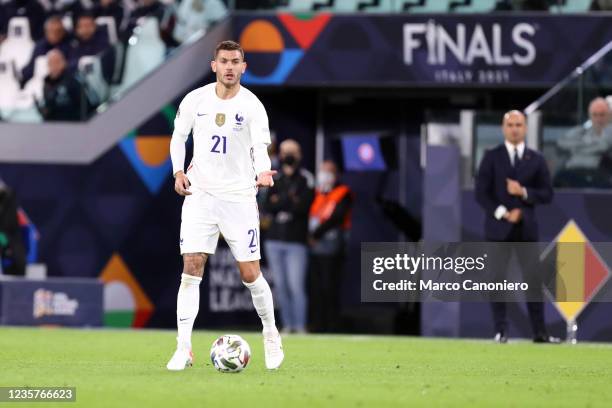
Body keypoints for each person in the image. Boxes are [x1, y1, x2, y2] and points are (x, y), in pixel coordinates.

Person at [166, 40, 283, 371]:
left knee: (250, 274)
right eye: (224, 61)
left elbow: (260, 147)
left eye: (236, 61)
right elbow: (179, 136)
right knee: (191, 267)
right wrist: (177, 171)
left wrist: (262, 171)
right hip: (200, 195)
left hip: (238, 197)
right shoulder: (195, 99)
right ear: (213, 65)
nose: (230, 66)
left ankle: (271, 334)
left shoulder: (252, 106)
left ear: (243, 67)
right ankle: (183, 348)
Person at [475, 110, 558, 344]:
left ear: (526, 128)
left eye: (519, 124)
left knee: (533, 281)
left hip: (526, 229)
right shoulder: (491, 157)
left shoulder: (536, 159)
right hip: (498, 230)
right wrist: (502, 213)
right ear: (503, 128)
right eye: (510, 124)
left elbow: (547, 194)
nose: (514, 129)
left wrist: (523, 193)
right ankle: (500, 331)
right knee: (497, 280)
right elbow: (481, 193)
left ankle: (539, 332)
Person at [263, 139, 314, 334]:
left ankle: (300, 326)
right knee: (281, 286)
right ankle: (287, 325)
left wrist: (281, 201)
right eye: (284, 152)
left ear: (299, 154)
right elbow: (268, 205)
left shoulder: (306, 178)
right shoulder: (274, 177)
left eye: (292, 152)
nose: (288, 156)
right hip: (274, 240)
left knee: (296, 285)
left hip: (296, 241)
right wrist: (289, 199)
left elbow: (303, 207)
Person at [308, 160, 352, 333]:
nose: (324, 174)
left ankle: (332, 326)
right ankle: (317, 325)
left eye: (329, 171)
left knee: (330, 287)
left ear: (336, 174)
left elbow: (337, 217)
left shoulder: (343, 193)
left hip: (332, 248)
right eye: (322, 171)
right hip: (314, 248)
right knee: (316, 288)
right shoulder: (317, 192)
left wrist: (315, 235)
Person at [555, 97, 612, 187]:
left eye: (602, 115)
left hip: (602, 175)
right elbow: (561, 142)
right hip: (575, 173)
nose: (598, 119)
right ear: (590, 116)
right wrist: (589, 146)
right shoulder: (583, 130)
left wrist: (577, 147)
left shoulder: (610, 131)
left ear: (609, 116)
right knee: (559, 178)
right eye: (595, 115)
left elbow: (604, 146)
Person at [37, 49, 93, 121]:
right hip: (53, 126)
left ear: (64, 63)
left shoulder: (73, 82)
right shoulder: (46, 84)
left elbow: (85, 107)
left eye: (57, 62)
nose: (54, 66)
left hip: (72, 124)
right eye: (51, 63)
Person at [20, 15, 73, 87]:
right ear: (46, 32)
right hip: (40, 83)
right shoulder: (39, 46)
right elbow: (30, 68)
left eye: (58, 31)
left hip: (63, 83)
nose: (54, 34)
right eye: (51, 31)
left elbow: (73, 65)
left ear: (63, 32)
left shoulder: (70, 46)